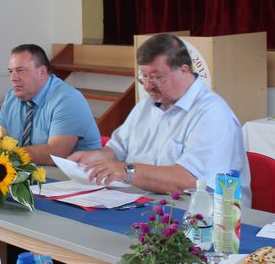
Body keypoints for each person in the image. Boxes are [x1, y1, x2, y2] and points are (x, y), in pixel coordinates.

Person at [69, 33, 251, 204]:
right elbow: (118, 149)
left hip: (200, 213)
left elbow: (190, 181)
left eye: (157, 78)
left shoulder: (212, 114)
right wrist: (95, 158)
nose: (148, 86)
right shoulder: (147, 105)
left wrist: (128, 171)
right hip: (140, 202)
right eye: (144, 76)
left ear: (184, 71)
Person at [0, 44, 101, 164]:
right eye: (10, 71)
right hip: (28, 168)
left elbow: (55, 154)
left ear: (42, 72)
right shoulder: (12, 97)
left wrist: (6, 155)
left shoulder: (67, 99)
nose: (13, 78)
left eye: (21, 71)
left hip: (70, 171)